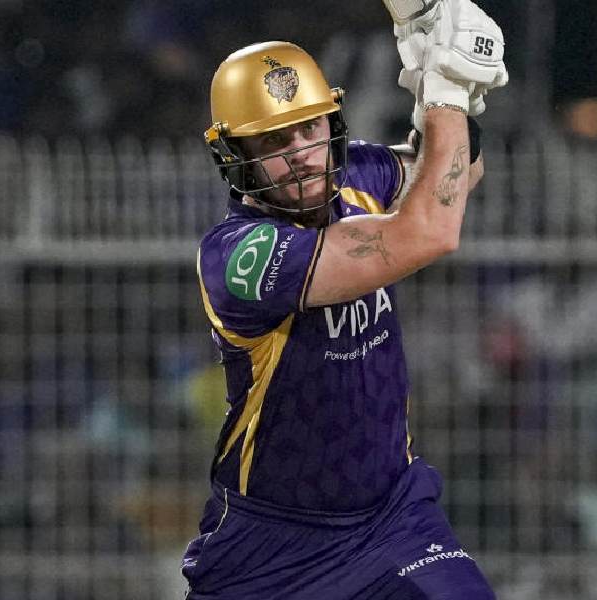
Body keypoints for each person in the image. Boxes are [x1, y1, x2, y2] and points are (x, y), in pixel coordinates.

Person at [182, 2, 508, 597]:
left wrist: (437, 78)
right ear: (235, 157)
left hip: (394, 517)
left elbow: (455, 176)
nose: (303, 153)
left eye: (309, 127)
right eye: (274, 140)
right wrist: (448, 92)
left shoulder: (354, 171)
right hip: (274, 548)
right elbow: (430, 230)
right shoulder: (238, 256)